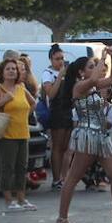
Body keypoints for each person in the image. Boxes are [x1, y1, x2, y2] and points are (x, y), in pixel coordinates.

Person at [55, 49, 112, 223]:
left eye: (96, 66)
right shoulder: (79, 87)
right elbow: (93, 79)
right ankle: (62, 218)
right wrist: (102, 57)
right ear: (81, 72)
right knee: (73, 177)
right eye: (91, 67)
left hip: (102, 134)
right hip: (87, 134)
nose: (96, 69)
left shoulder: (93, 86)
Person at [0, 55, 37, 213]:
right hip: (6, 135)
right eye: (8, 69)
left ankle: (21, 199)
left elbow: (33, 103)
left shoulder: (21, 88)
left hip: (23, 132)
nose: (11, 71)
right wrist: (4, 100)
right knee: (8, 167)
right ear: (2, 72)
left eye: (14, 69)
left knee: (22, 167)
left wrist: (24, 116)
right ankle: (9, 200)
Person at [41, 44, 72, 188]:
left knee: (66, 147)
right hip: (56, 112)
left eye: (62, 58)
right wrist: (60, 76)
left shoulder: (67, 72)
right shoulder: (47, 73)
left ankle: (64, 177)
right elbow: (51, 94)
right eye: (57, 59)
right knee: (57, 147)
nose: (60, 62)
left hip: (67, 110)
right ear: (51, 59)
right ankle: (56, 178)